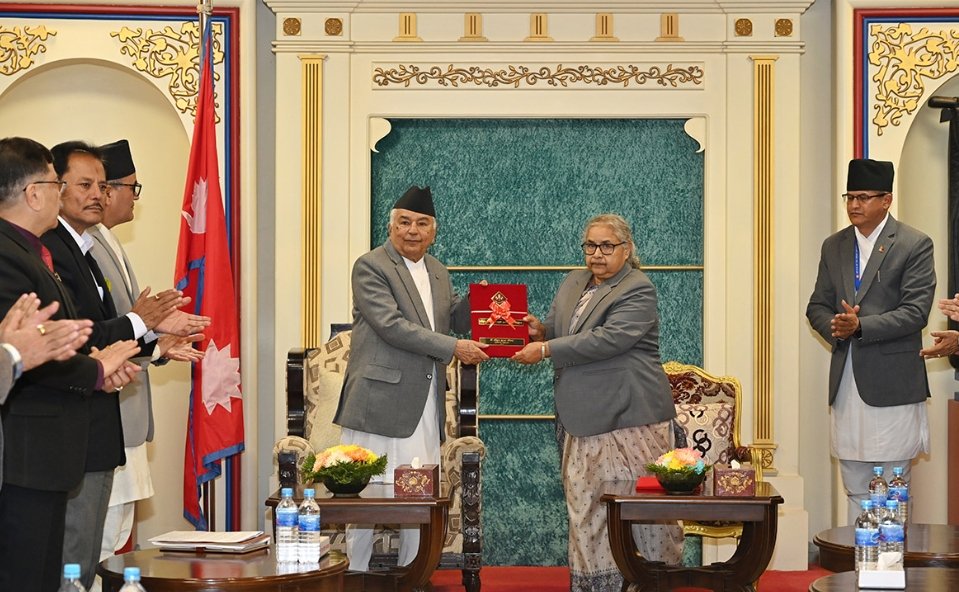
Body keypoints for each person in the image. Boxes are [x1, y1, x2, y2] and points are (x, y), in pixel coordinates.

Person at [43, 140, 209, 590]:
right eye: (86, 185)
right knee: (77, 559)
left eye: (102, 186)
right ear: (54, 187)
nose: (98, 195)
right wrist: (143, 323)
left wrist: (153, 339)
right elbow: (81, 333)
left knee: (98, 550)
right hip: (75, 423)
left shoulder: (87, 245)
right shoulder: (54, 247)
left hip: (104, 423)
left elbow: (107, 328)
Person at [511, 213, 683, 592]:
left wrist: (545, 349)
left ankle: (652, 583)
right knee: (586, 511)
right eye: (590, 245)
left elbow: (609, 339)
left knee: (645, 514)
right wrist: (540, 331)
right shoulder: (574, 280)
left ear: (627, 248)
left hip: (629, 416)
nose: (597, 254)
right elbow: (561, 327)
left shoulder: (638, 288)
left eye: (607, 246)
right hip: (581, 417)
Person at [0, 136, 141, 592]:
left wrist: (100, 362)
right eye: (54, 183)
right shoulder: (6, 255)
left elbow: (62, 339)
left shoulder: (31, 251)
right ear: (32, 193)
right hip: (26, 452)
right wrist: (97, 371)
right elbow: (28, 353)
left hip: (48, 453)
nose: (61, 193)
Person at [332, 185, 489, 571]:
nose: (412, 231)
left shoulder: (438, 270)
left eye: (421, 224)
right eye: (404, 222)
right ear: (391, 227)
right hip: (378, 400)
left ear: (434, 231)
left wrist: (484, 305)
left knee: (418, 491)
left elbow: (451, 318)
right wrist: (454, 347)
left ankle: (413, 574)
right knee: (366, 492)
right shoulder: (370, 266)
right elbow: (392, 325)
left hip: (424, 400)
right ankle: (356, 573)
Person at [91, 140, 204, 579]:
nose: (135, 198)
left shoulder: (107, 241)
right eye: (131, 188)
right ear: (107, 190)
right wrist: (151, 334)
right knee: (102, 542)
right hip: (108, 415)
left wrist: (156, 342)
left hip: (128, 417)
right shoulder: (86, 245)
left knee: (118, 537)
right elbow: (106, 329)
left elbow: (127, 325)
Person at [806, 158, 935, 524]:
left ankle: (891, 557)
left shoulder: (913, 244)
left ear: (886, 200)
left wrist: (860, 326)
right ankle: (856, 554)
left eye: (863, 197)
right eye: (850, 197)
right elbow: (817, 305)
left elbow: (916, 312)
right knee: (855, 483)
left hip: (893, 383)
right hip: (847, 380)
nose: (854, 205)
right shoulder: (834, 246)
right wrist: (837, 325)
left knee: (893, 485)